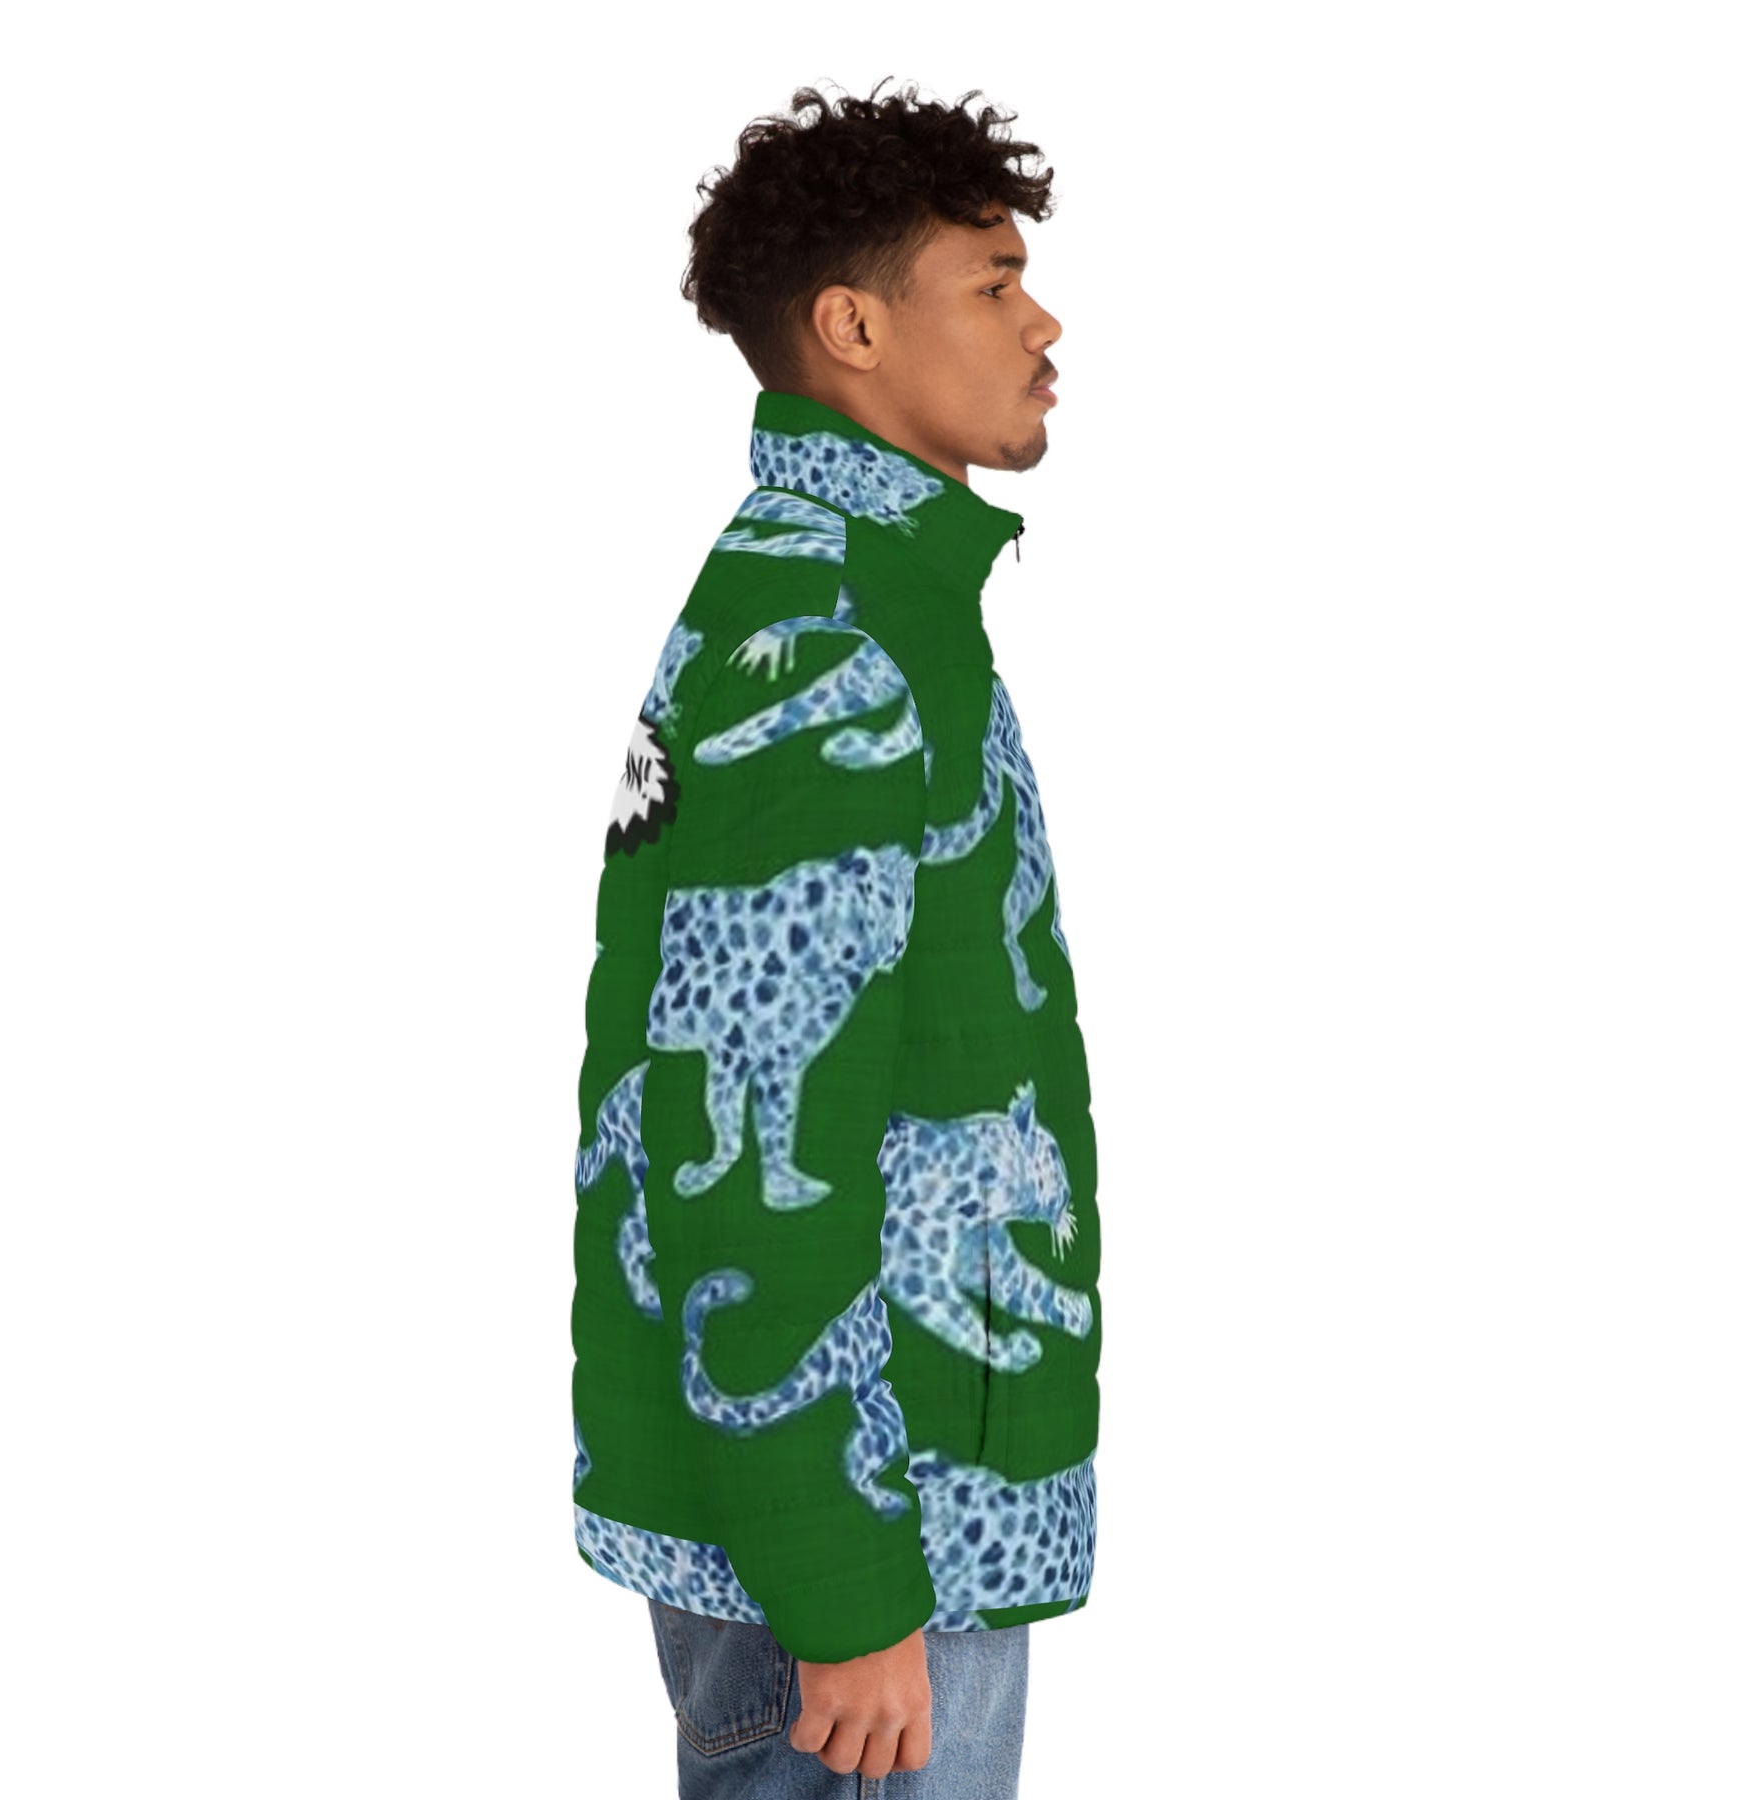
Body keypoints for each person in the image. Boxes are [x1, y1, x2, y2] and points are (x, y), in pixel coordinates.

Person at [570, 76, 1101, 1796]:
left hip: (915, 1500)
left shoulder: (884, 606)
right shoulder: (826, 638)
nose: (1042, 324)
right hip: (875, 1550)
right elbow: (741, 1145)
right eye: (993, 284)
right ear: (853, 326)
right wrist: (843, 1586)